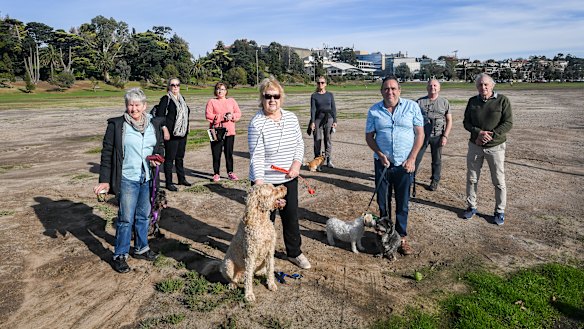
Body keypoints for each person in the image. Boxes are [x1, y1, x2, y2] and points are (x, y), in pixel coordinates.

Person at [94, 88, 164, 273]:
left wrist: (158, 158)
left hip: (147, 177)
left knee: (143, 216)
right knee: (125, 219)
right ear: (126, 106)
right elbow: (107, 154)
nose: (133, 109)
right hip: (127, 178)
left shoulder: (153, 124)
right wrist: (105, 180)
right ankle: (120, 255)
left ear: (145, 106)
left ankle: (142, 248)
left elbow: (158, 147)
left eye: (137, 105)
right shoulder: (117, 126)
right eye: (130, 105)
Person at [247, 77, 311, 269]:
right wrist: (260, 187)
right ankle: (261, 258)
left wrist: (296, 164)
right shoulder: (256, 123)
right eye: (268, 96)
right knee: (264, 222)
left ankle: (294, 252)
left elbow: (299, 144)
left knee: (290, 217)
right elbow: (256, 156)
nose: (272, 100)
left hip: (288, 179)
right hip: (266, 182)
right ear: (262, 98)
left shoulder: (291, 118)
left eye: (276, 96)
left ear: (281, 98)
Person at [365, 76, 424, 256]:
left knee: (402, 203)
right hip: (382, 164)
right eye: (386, 89)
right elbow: (369, 137)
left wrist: (413, 158)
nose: (389, 92)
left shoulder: (412, 107)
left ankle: (401, 238)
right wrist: (381, 154)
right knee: (383, 202)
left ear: (399, 90)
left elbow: (419, 134)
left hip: (404, 164)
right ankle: (383, 236)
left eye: (393, 88)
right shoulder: (374, 111)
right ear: (381, 91)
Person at [462, 73, 513, 225]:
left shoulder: (502, 100)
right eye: (480, 85)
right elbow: (466, 123)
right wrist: (478, 133)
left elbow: (508, 122)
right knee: (472, 178)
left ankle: (499, 211)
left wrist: (492, 135)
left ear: (492, 86)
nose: (483, 87)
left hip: (495, 147)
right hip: (475, 145)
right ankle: (471, 207)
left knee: (498, 180)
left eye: (486, 84)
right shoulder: (472, 101)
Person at [414, 79, 452, 191]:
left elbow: (449, 120)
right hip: (422, 136)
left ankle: (435, 180)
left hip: (438, 135)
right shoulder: (419, 102)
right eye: (430, 85)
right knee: (416, 157)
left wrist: (445, 136)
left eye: (435, 85)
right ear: (427, 87)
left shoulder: (444, 102)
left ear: (439, 88)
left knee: (436, 160)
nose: (433, 87)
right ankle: (410, 177)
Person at [157, 78, 191, 191]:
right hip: (171, 134)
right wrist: (164, 129)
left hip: (182, 133)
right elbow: (160, 116)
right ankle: (169, 182)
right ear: (169, 86)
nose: (175, 87)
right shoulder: (165, 99)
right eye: (173, 85)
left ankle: (181, 179)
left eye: (177, 85)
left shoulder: (182, 99)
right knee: (169, 159)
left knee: (180, 157)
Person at [205, 82, 242, 182]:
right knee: (216, 153)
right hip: (214, 131)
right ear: (215, 91)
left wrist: (232, 116)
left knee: (228, 153)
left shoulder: (231, 101)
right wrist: (221, 117)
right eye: (218, 89)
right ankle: (216, 173)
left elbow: (238, 113)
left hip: (229, 131)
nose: (220, 91)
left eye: (222, 89)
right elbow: (208, 115)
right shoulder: (211, 102)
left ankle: (230, 172)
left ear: (226, 91)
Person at [309, 76, 337, 167]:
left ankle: (328, 159)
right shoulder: (314, 96)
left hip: (329, 119)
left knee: (327, 139)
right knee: (317, 139)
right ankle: (317, 159)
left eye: (322, 82)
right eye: (318, 83)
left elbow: (333, 108)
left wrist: (335, 120)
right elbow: (313, 109)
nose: (320, 84)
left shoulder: (330, 95)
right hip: (318, 119)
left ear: (325, 84)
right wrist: (312, 122)